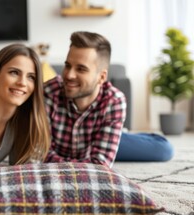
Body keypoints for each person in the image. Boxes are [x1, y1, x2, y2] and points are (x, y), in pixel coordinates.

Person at [43, 31, 174, 168]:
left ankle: (119, 133)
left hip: (100, 137)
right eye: (68, 65)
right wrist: (85, 165)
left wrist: (60, 163)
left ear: (102, 77)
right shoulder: (48, 92)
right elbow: (40, 155)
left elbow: (100, 166)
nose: (69, 75)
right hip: (71, 146)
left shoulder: (114, 100)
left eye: (81, 69)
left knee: (164, 149)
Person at [0, 43, 51, 167]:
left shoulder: (30, 122)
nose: (22, 83)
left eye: (31, 77)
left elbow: (28, 173)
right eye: (14, 72)